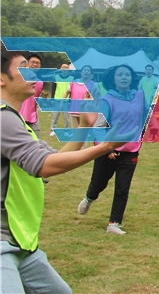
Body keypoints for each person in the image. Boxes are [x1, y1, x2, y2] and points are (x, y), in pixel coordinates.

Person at [1, 45, 134, 293]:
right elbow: (44, 166)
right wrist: (105, 147)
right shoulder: (3, 119)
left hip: (21, 241)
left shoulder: (15, 120)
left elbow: (55, 157)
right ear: (1, 79)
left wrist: (84, 126)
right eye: (23, 69)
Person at [77, 64, 148, 235]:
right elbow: (99, 126)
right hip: (107, 150)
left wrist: (151, 127)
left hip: (131, 150)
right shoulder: (107, 100)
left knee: (123, 188)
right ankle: (89, 197)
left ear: (132, 78)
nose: (124, 77)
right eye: (120, 75)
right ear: (113, 79)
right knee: (99, 183)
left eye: (127, 74)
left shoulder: (139, 95)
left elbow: (146, 113)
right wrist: (106, 148)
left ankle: (114, 223)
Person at [64, 65, 99, 130]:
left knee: (83, 132)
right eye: (85, 70)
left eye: (88, 71)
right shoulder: (73, 82)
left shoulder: (93, 85)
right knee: (75, 132)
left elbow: (96, 98)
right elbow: (67, 92)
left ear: (91, 74)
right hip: (73, 110)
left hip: (86, 112)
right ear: (81, 72)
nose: (86, 72)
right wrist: (62, 103)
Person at [18, 54, 44, 138]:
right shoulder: (18, 79)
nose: (35, 64)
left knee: (36, 141)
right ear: (27, 63)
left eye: (37, 63)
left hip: (33, 119)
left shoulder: (40, 83)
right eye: (32, 62)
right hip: (18, 117)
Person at [49, 63, 74, 137]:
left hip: (66, 101)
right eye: (63, 67)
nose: (65, 69)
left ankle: (66, 131)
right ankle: (53, 130)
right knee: (55, 117)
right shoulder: (56, 77)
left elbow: (72, 91)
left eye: (66, 67)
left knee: (66, 118)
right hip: (57, 100)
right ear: (60, 68)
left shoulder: (71, 78)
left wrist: (70, 100)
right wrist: (52, 99)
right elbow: (53, 88)